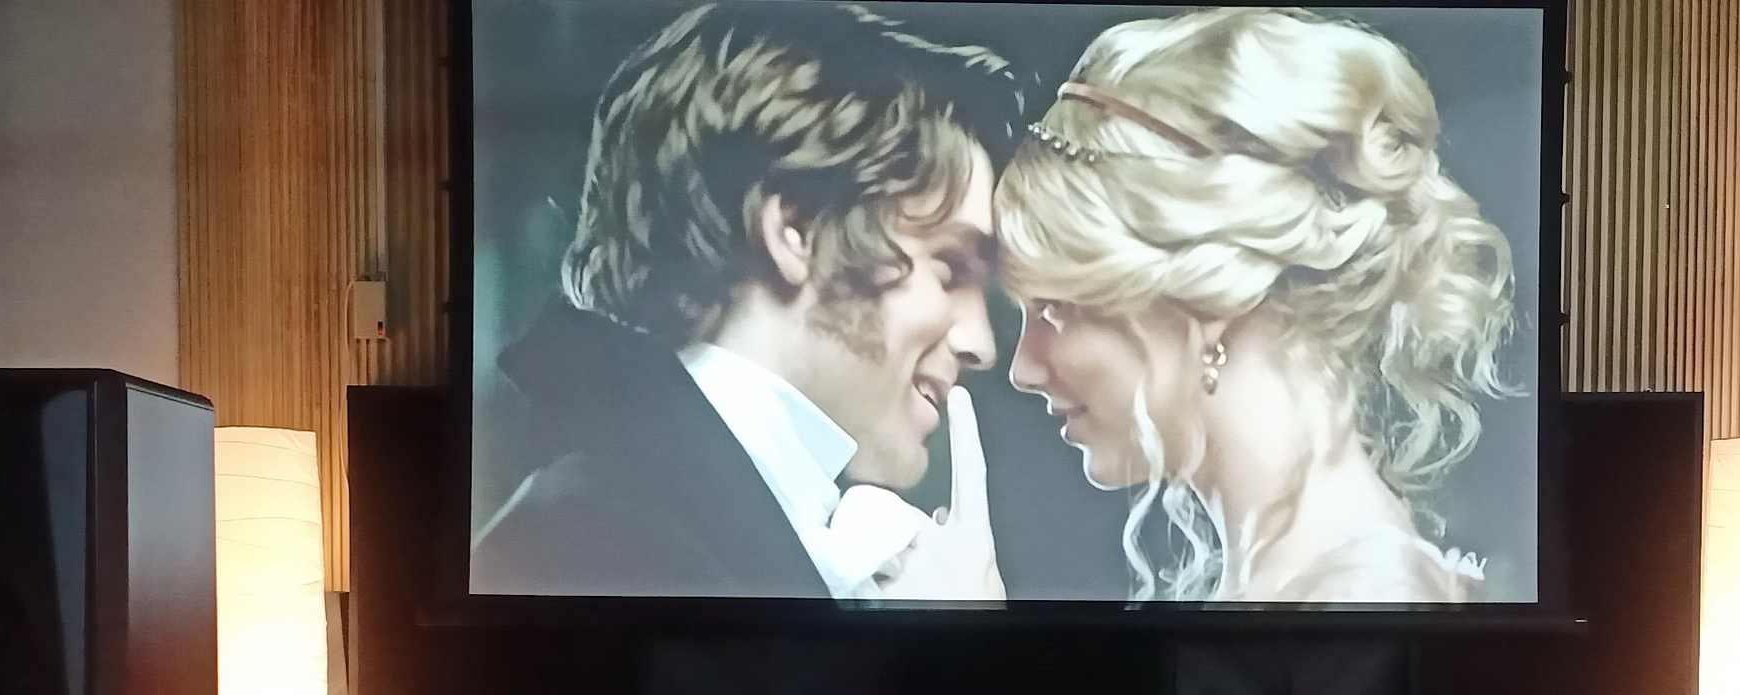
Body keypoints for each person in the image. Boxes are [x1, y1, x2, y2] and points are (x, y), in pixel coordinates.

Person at [472, 2, 1019, 601]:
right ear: (798, 231)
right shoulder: (586, 539)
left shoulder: (646, 506)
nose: (982, 345)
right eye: (950, 269)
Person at [995, 8, 1519, 604]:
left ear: (1209, 292)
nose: (1023, 368)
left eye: (1054, 306)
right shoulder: (1307, 579)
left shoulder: (1359, 599)